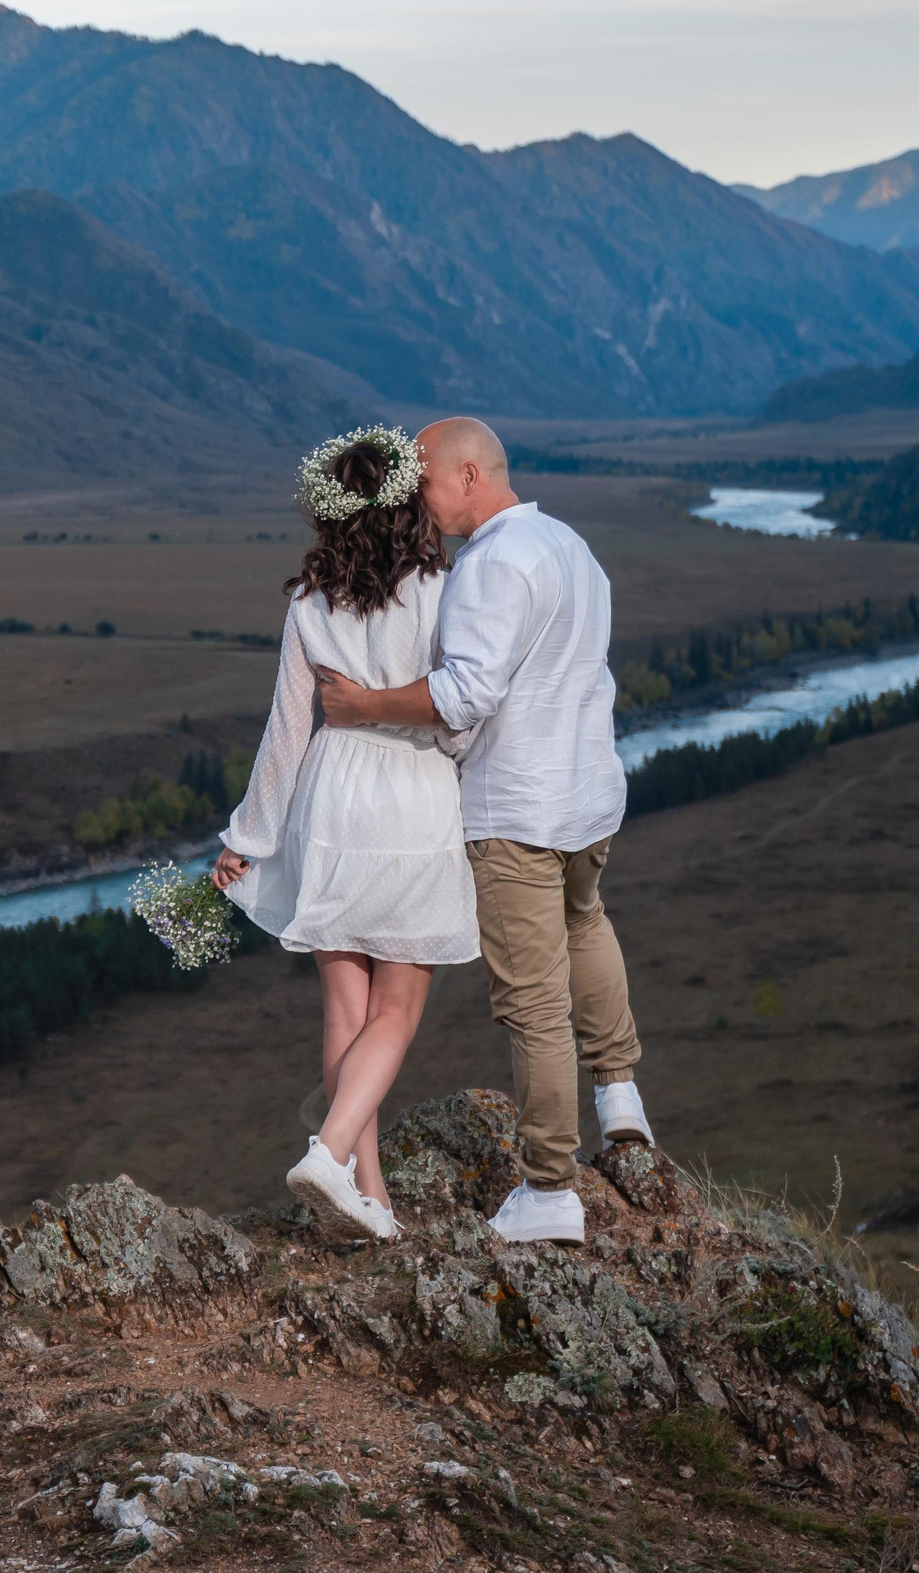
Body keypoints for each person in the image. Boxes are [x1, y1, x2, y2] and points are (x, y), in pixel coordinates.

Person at [313, 417, 648, 1247]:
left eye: (423, 481)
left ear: (468, 476)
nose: (417, 502)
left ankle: (549, 1190)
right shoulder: (572, 546)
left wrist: (364, 708)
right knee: (587, 923)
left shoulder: (488, 566)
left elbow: (461, 698)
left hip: (518, 812)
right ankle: (621, 1095)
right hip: (588, 795)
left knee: (532, 1001)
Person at [212, 425, 480, 1242]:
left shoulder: (307, 600)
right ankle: (329, 1156)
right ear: (406, 502)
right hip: (411, 797)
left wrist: (246, 837)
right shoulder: (443, 591)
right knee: (396, 1009)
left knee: (344, 1008)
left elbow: (287, 729)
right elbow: (457, 718)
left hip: (329, 800)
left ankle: (371, 1200)